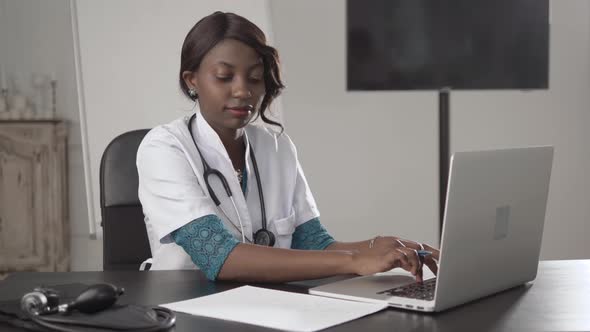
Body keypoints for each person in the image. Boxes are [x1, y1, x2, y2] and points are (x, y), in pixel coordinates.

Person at [137, 11, 439, 283]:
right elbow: (219, 255)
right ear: (192, 81)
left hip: (269, 305)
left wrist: (384, 248)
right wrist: (356, 260)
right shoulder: (163, 149)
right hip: (187, 310)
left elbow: (313, 244)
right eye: (224, 77)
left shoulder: (277, 148)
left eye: (255, 78)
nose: (243, 90)